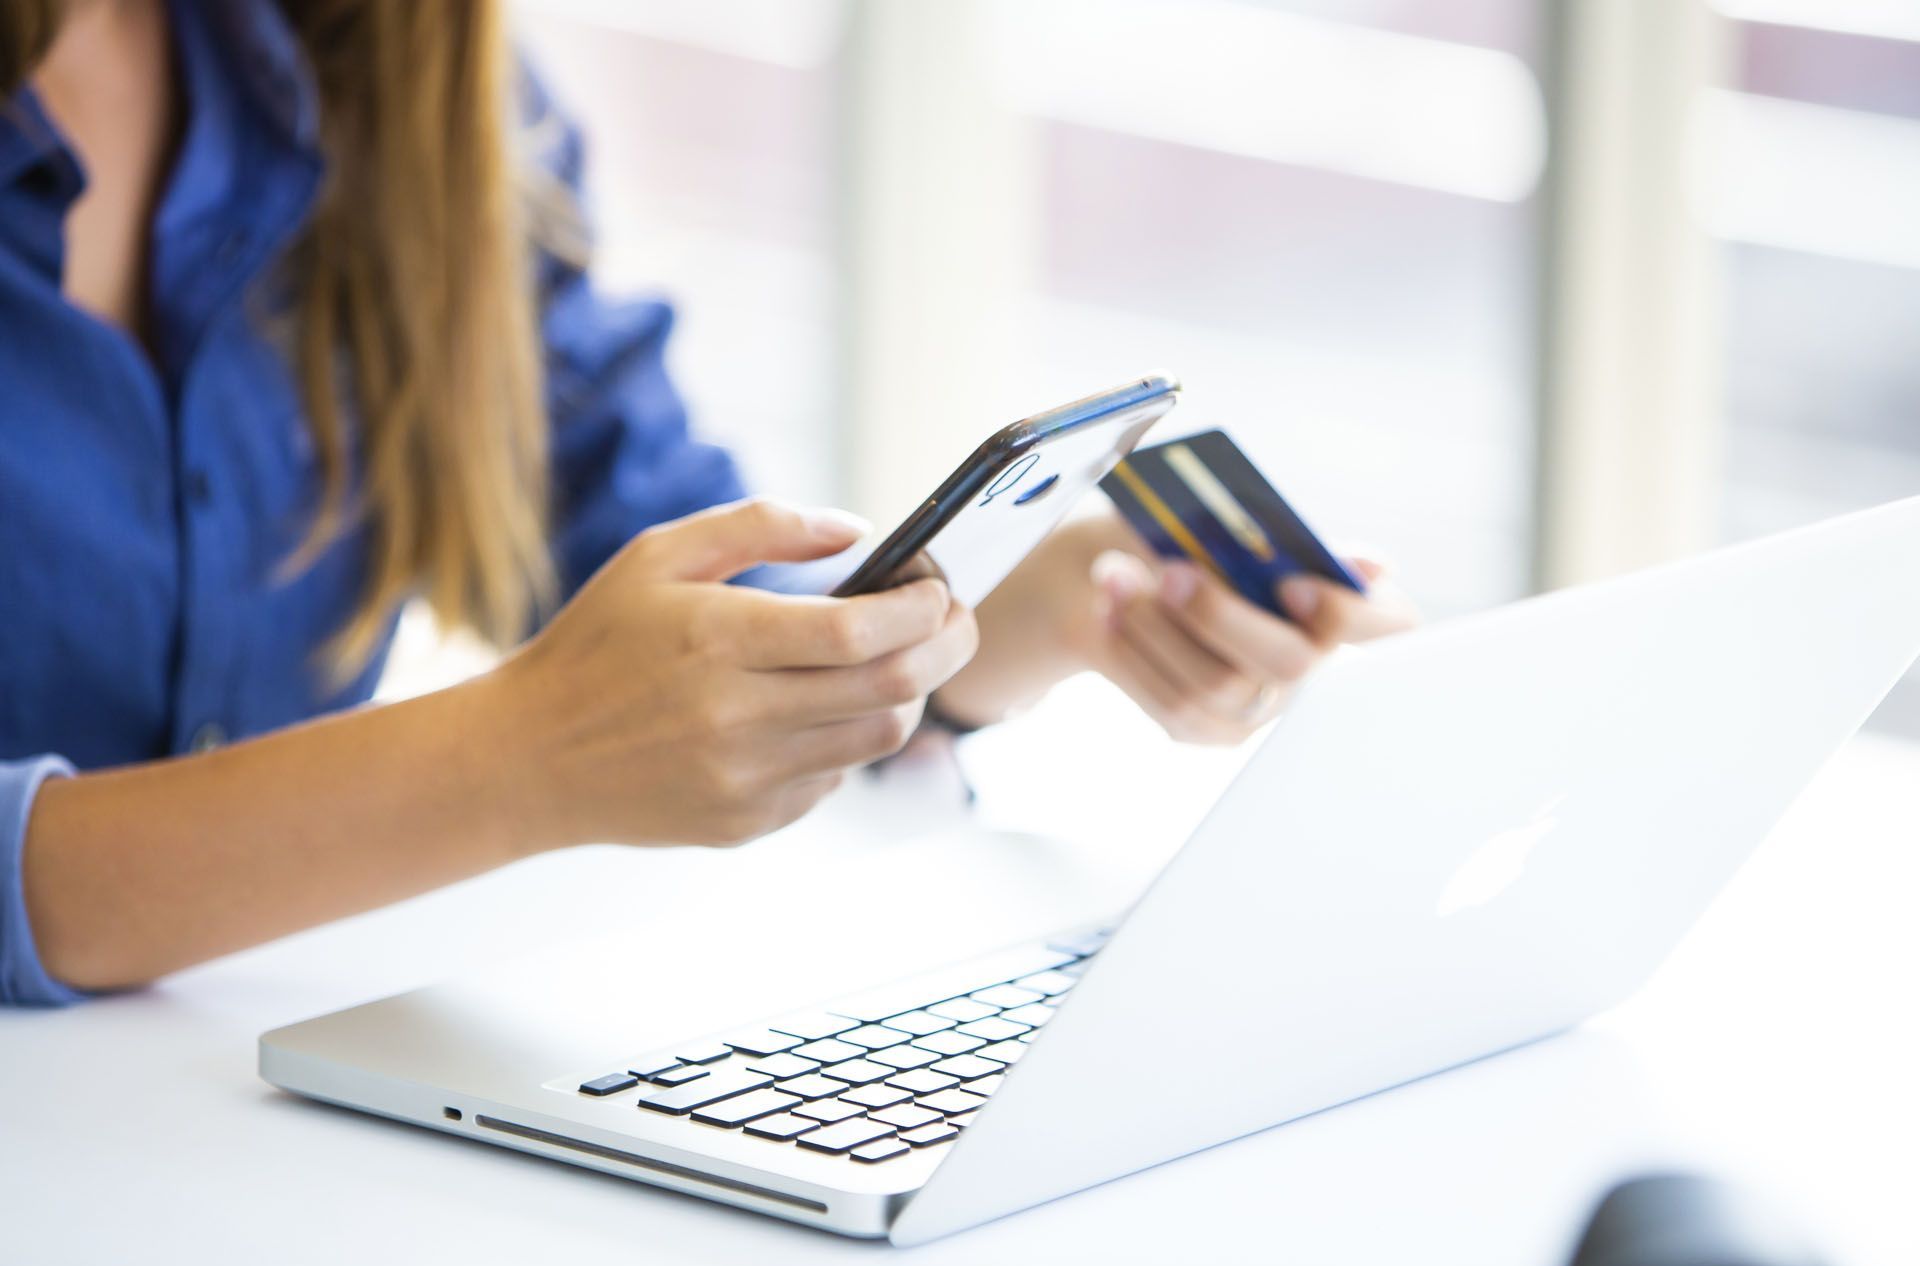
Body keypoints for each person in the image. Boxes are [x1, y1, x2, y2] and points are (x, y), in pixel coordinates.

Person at [0, 0, 1415, 1007]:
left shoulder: (377, 68)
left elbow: (667, 556)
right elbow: (581, 726)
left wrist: (1047, 601)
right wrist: (518, 759)